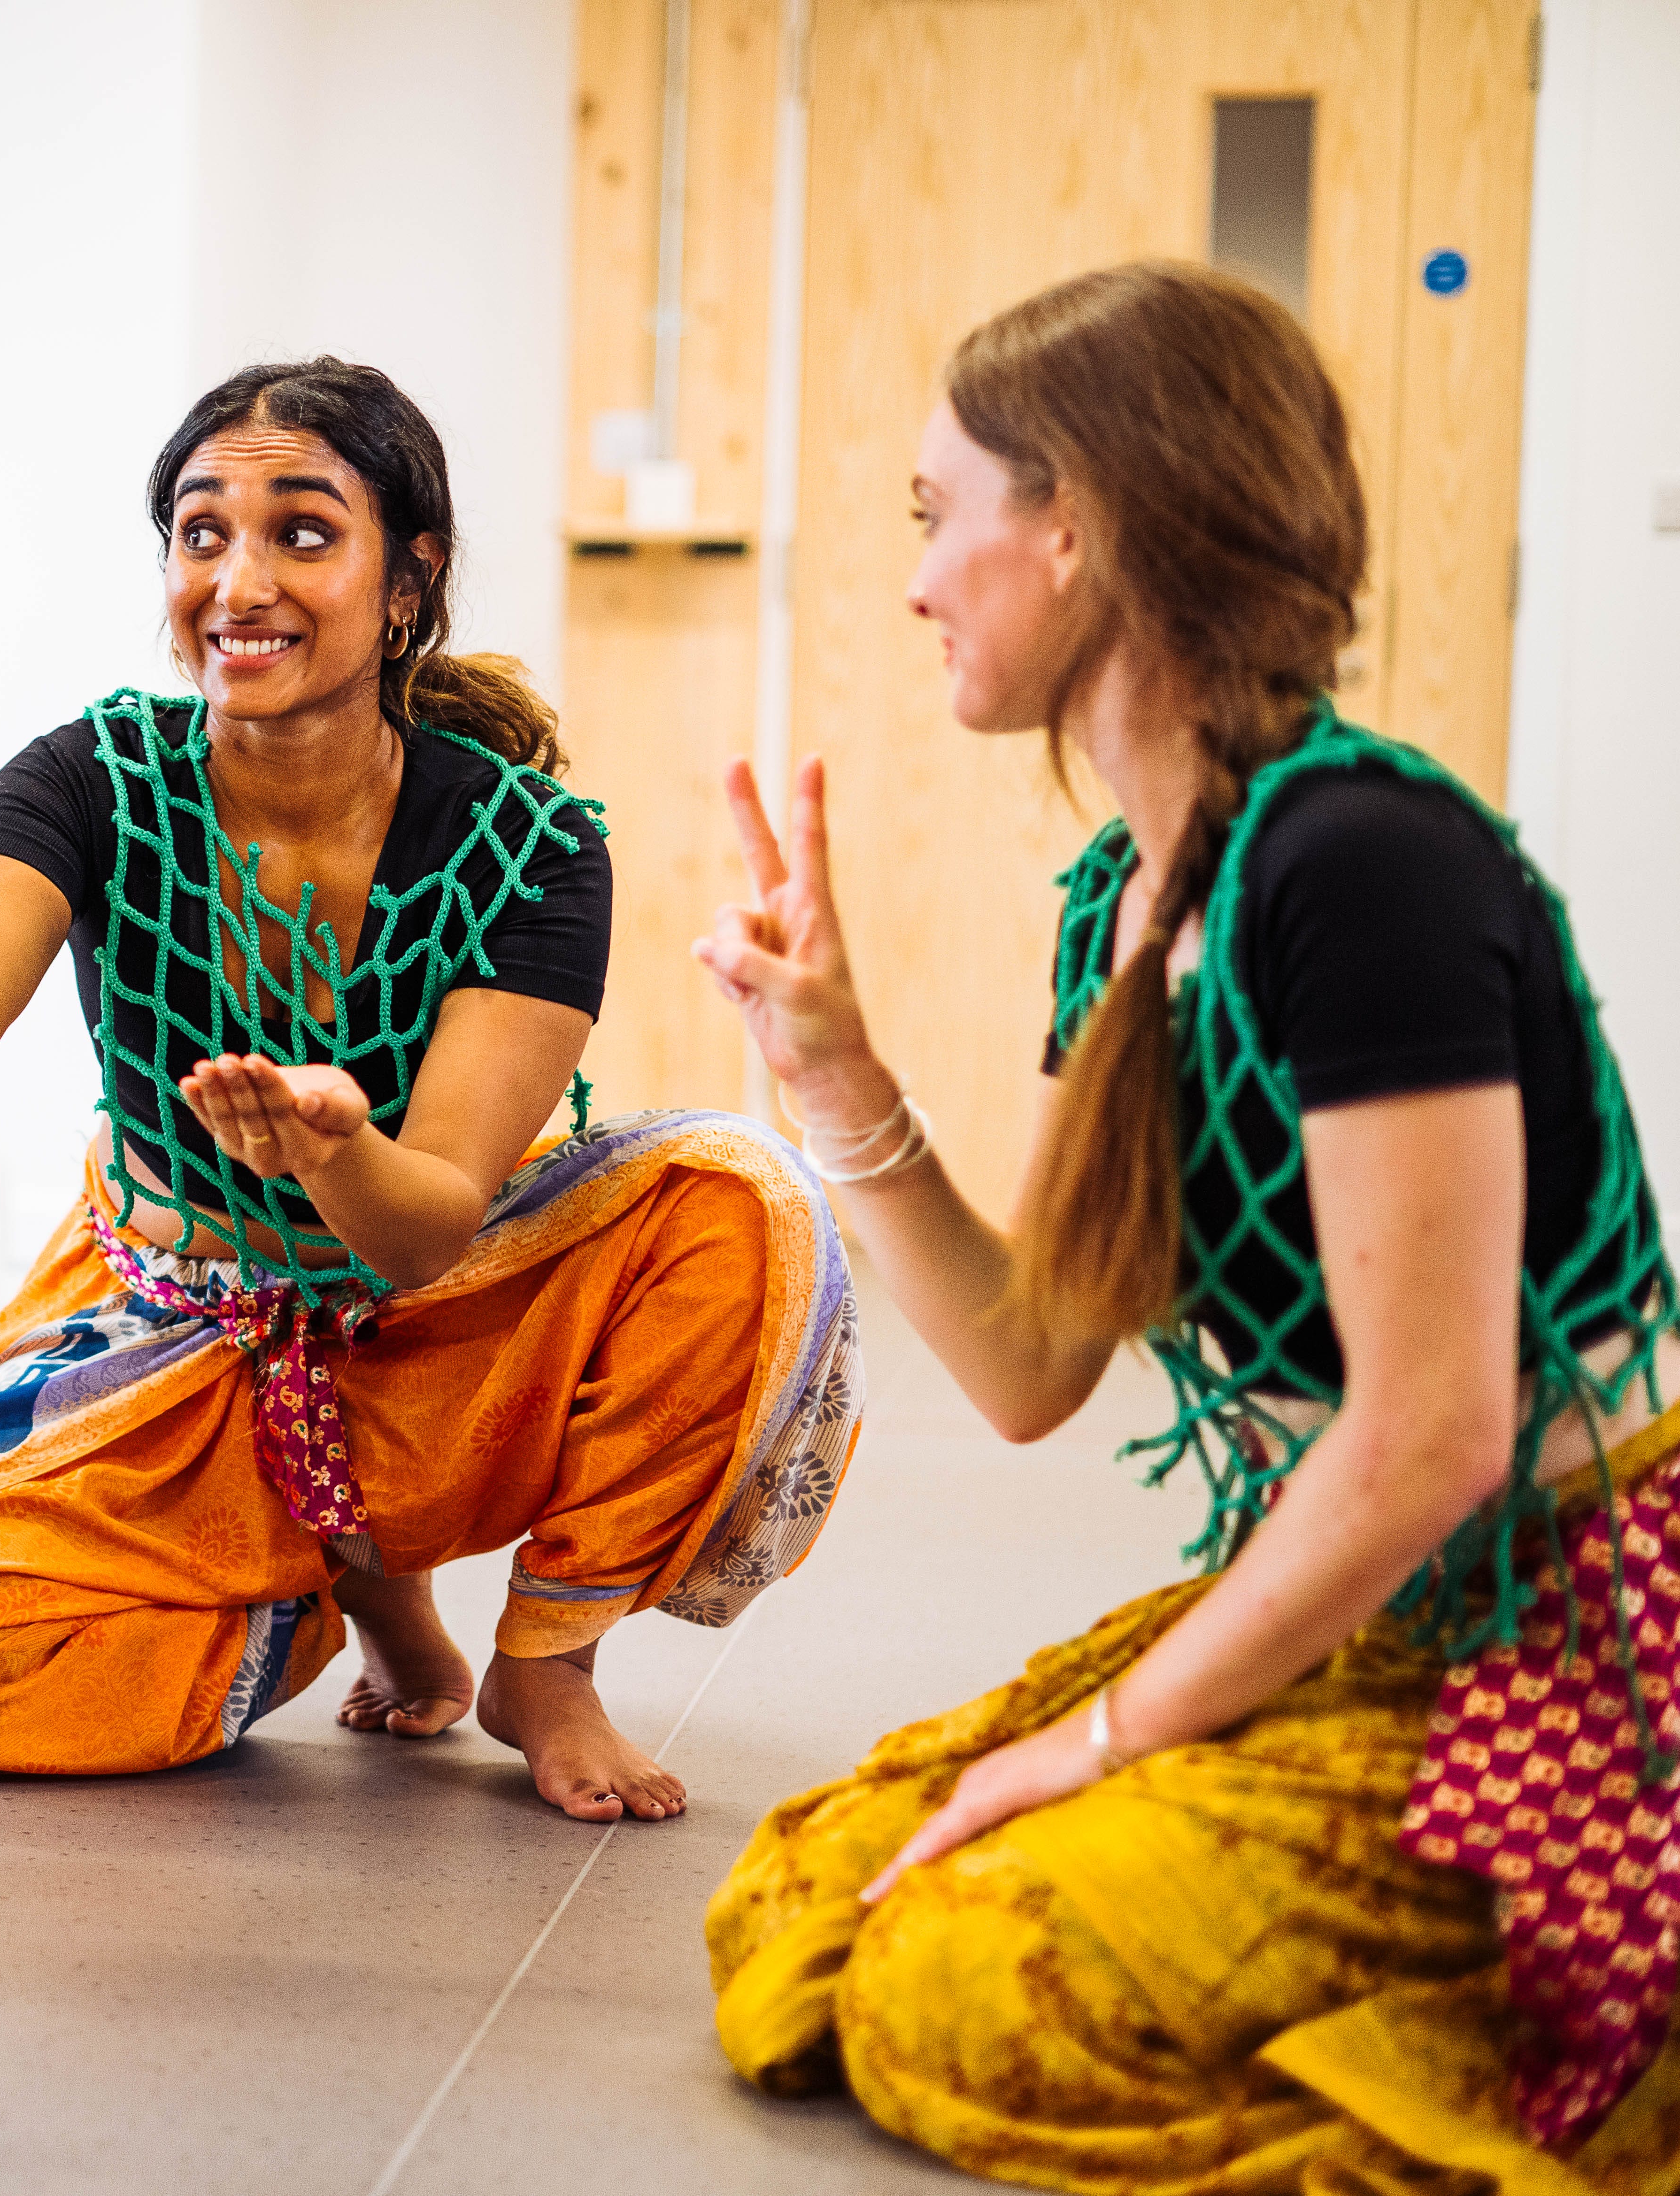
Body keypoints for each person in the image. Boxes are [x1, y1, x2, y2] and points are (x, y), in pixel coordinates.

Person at [694, 262, 1680, 2188]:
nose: (913, 582)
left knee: (957, 1979)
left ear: (1074, 525)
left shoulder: (1360, 862)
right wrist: (831, 1072)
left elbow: (1428, 1439)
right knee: (806, 1900)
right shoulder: (1126, 895)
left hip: (1559, 1653)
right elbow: (1025, 1370)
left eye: (933, 518)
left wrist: (1097, 1745)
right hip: (1374, 1623)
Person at [0, 358, 860, 1822]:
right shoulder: (89, 784)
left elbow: (427, 1224)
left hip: (432, 1321)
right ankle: (327, 1582)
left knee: (745, 1205)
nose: (239, 579)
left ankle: (549, 1666)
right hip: (176, 1324)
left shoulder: (532, 846)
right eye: (201, 535)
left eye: (303, 532)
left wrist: (333, 1149)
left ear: (411, 578)